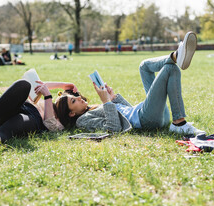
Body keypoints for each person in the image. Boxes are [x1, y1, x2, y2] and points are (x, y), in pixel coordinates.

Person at [55, 32, 205, 136]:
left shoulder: (92, 107)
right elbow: (114, 129)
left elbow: (128, 111)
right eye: (73, 101)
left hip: (145, 112)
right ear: (71, 113)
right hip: (146, 120)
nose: (79, 98)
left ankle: (176, 56)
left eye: (75, 96)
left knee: (144, 66)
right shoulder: (82, 121)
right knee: (170, 69)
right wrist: (106, 102)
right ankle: (179, 124)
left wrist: (113, 98)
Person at [0, 79, 77, 156]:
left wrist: (48, 96)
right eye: (63, 95)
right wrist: (64, 85)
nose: (79, 99)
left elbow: (51, 125)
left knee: (13, 126)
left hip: (32, 118)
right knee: (23, 85)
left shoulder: (60, 122)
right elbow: (41, 86)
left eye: (73, 100)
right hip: (19, 106)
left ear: (72, 113)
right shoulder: (57, 104)